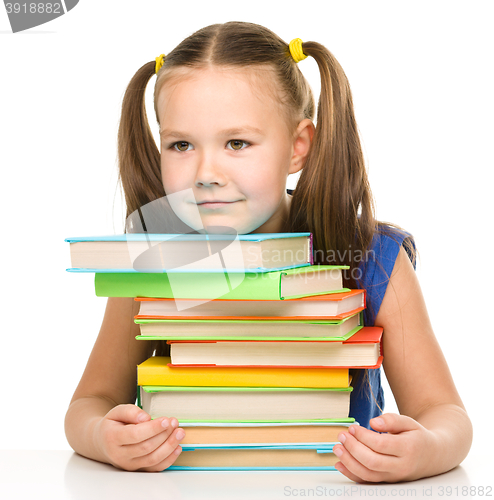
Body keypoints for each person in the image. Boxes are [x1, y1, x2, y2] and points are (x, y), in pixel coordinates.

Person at [64, 21, 472, 481]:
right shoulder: (153, 258)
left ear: (298, 147)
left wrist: (428, 448)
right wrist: (104, 436)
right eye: (181, 145)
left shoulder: (373, 257)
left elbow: (445, 414)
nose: (206, 172)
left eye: (237, 143)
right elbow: (88, 404)